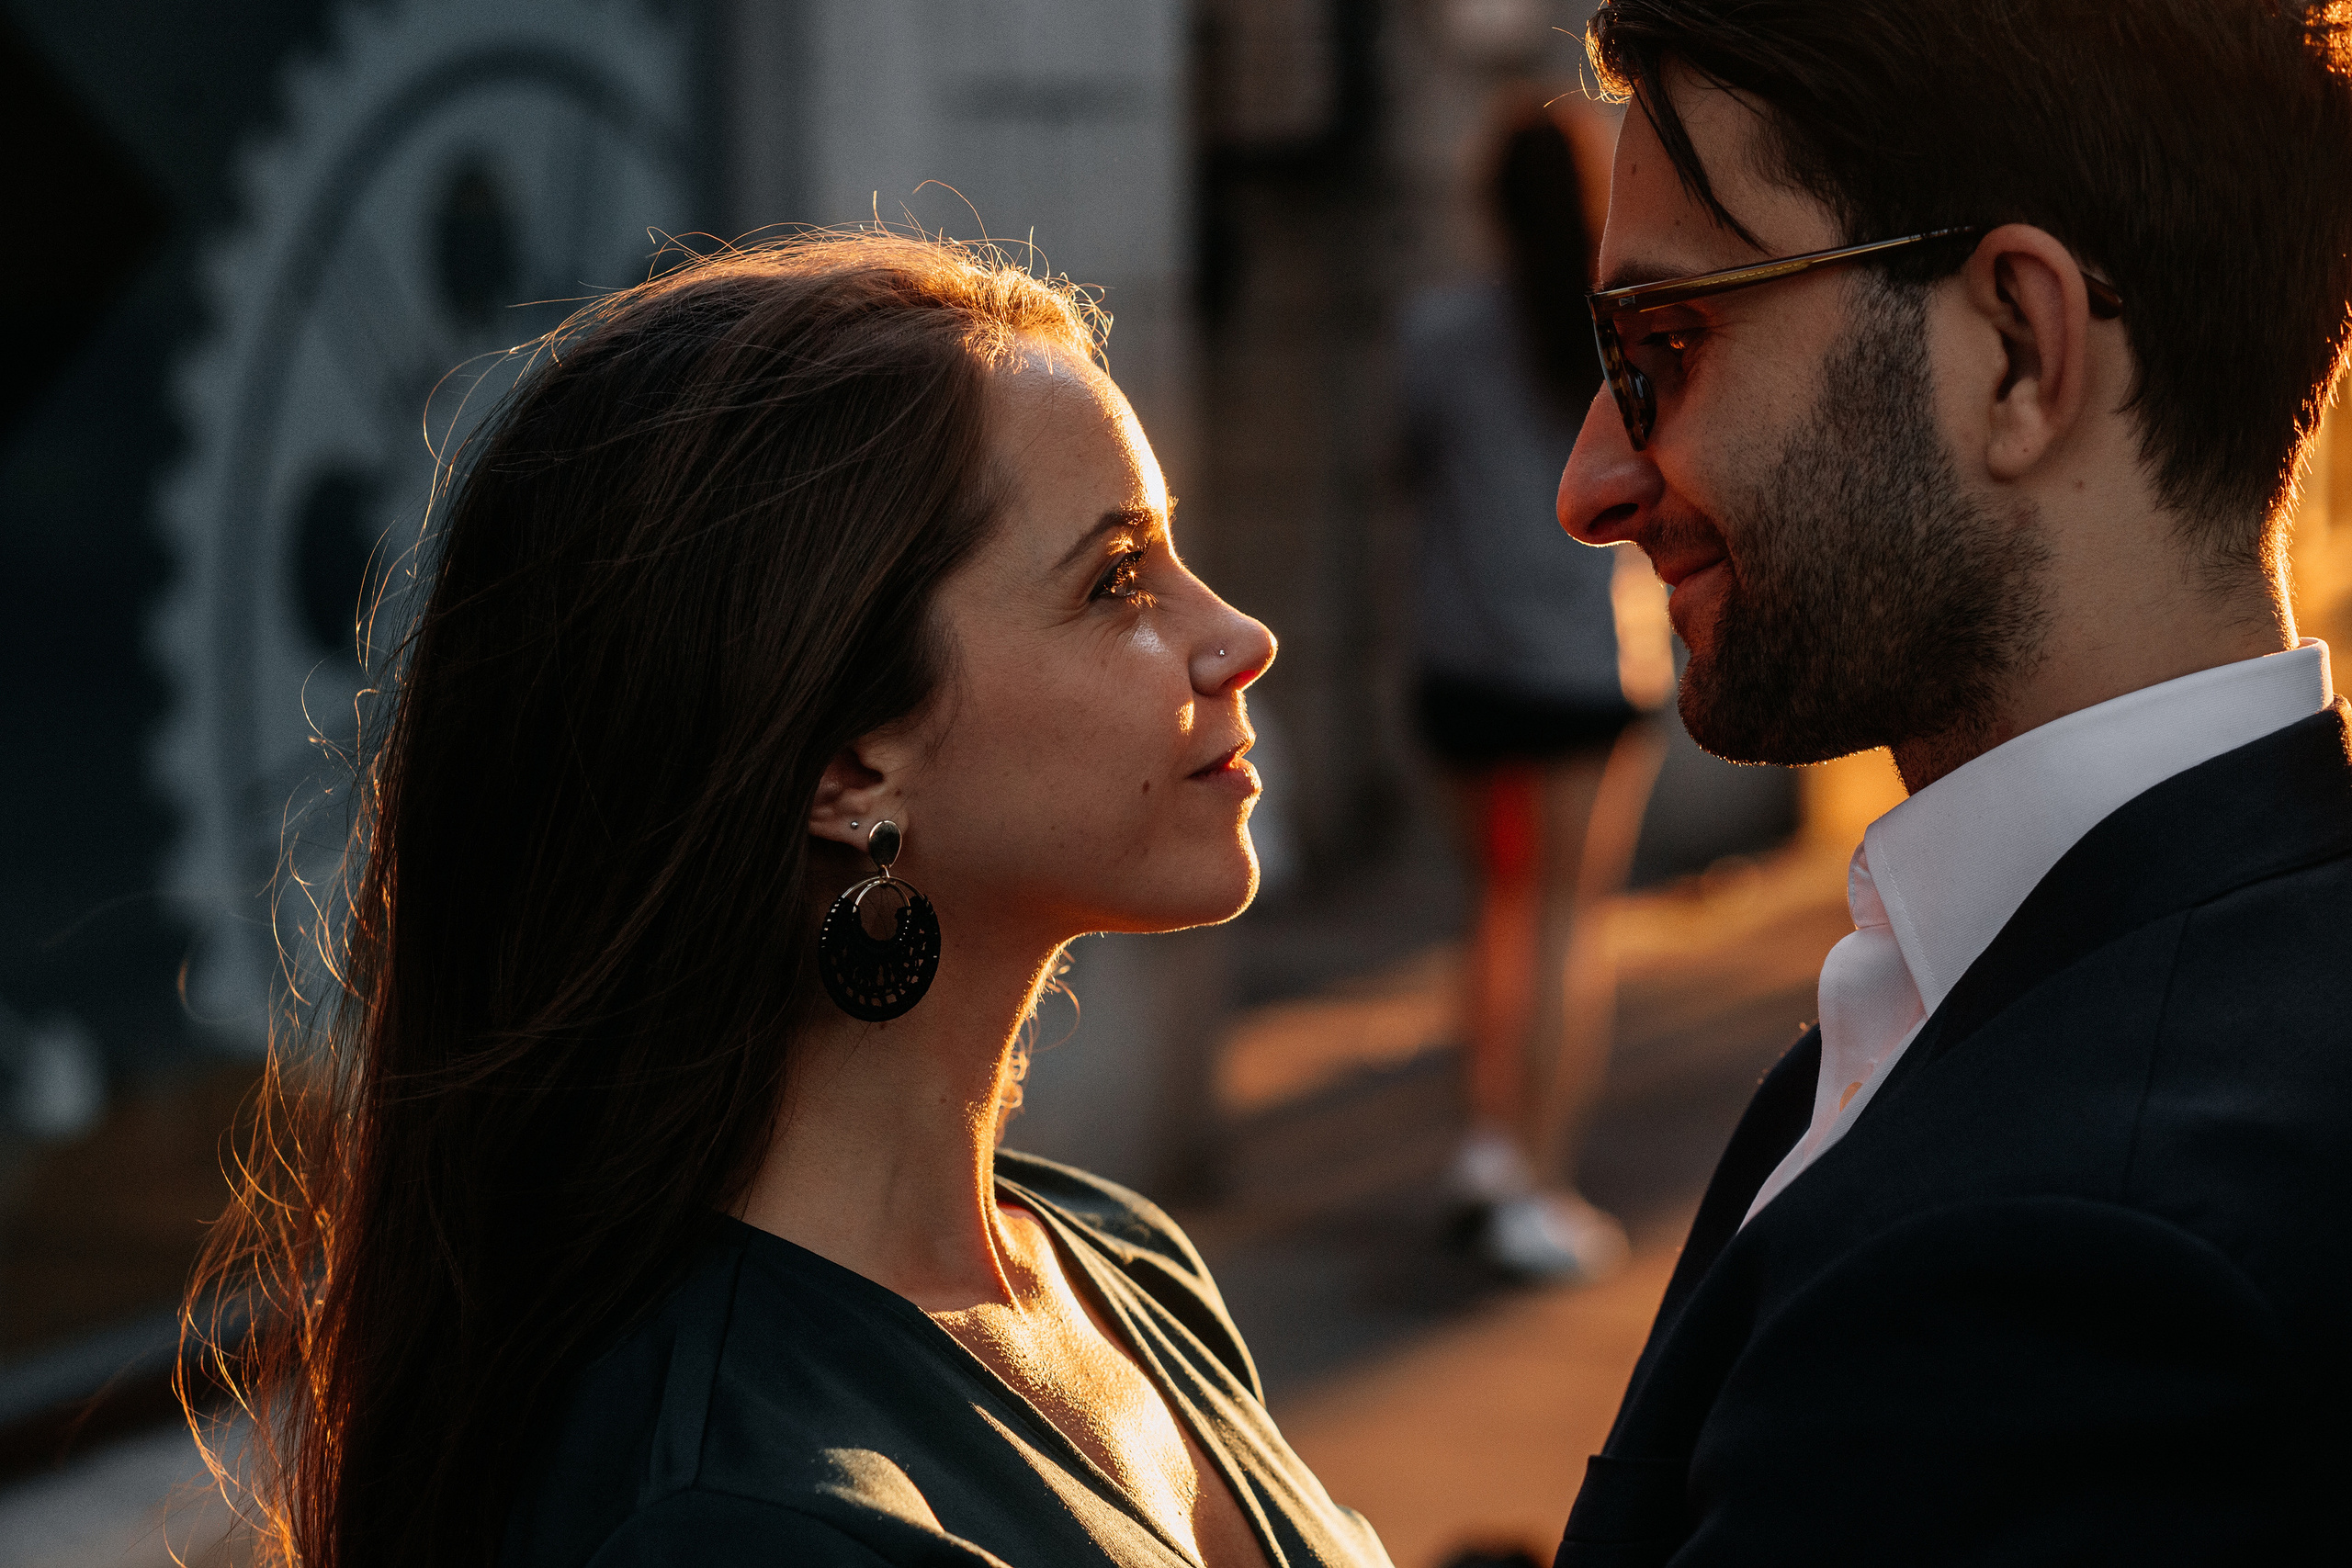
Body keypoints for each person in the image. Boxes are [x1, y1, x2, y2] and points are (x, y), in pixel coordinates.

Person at [185, 234, 1394, 1568]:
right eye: (1117, 578)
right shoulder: (742, 1515)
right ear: (850, 764)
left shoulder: (1118, 1257)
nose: (1238, 636)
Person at [1551, 1, 2352, 1561]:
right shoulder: (2042, 1002)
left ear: (2015, 349)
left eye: (1664, 344)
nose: (1593, 482)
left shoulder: (2064, 1261)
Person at [1403, 93, 1671, 1282]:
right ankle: (1536, 1176)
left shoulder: (1438, 334)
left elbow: (1399, 471)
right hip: (1581, 666)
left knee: (1493, 913)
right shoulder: (1621, 334)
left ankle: (1481, 1147)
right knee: (1568, 919)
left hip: (1460, 664)